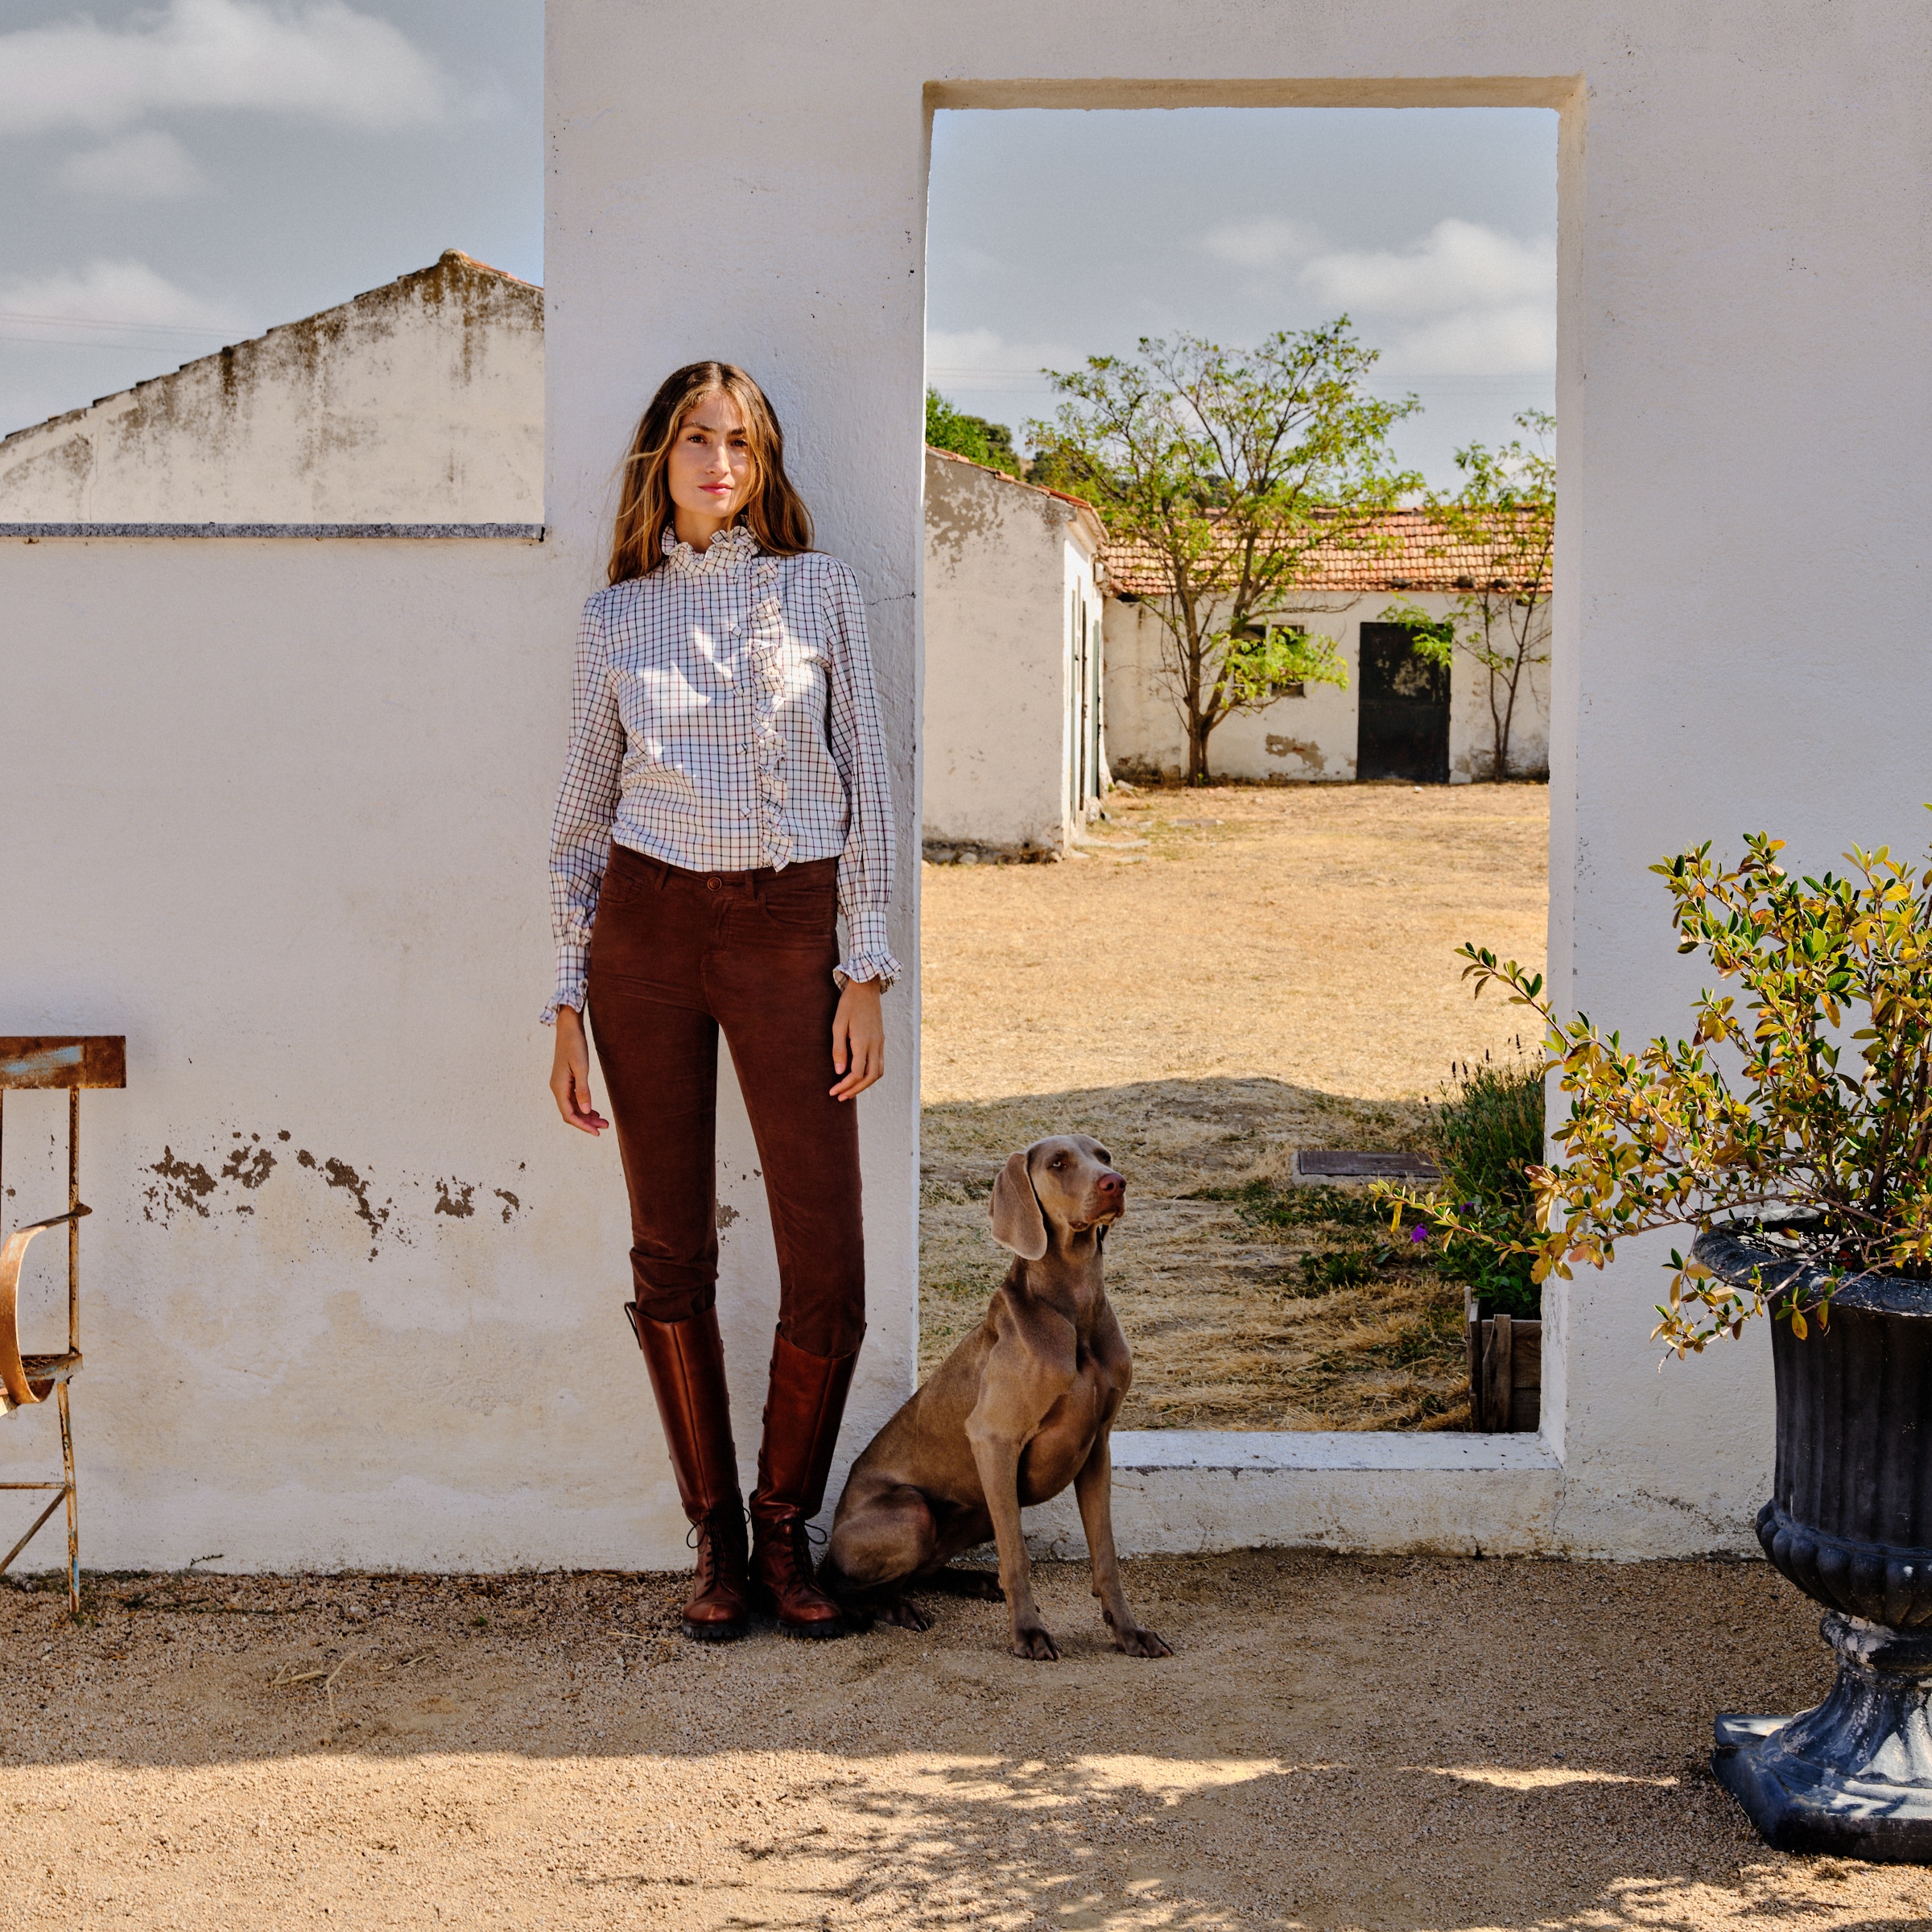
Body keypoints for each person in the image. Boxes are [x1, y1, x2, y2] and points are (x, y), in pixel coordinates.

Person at [544, 361, 898, 1643]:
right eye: (696, 438)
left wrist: (866, 972)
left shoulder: (818, 593)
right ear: (662, 458)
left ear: (764, 462)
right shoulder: (614, 620)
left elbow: (870, 791)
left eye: (740, 442)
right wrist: (565, 1002)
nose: (718, 461)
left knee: (828, 1255)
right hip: (643, 934)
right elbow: (581, 822)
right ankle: (716, 1538)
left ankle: (786, 1521)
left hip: (791, 929)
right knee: (668, 1246)